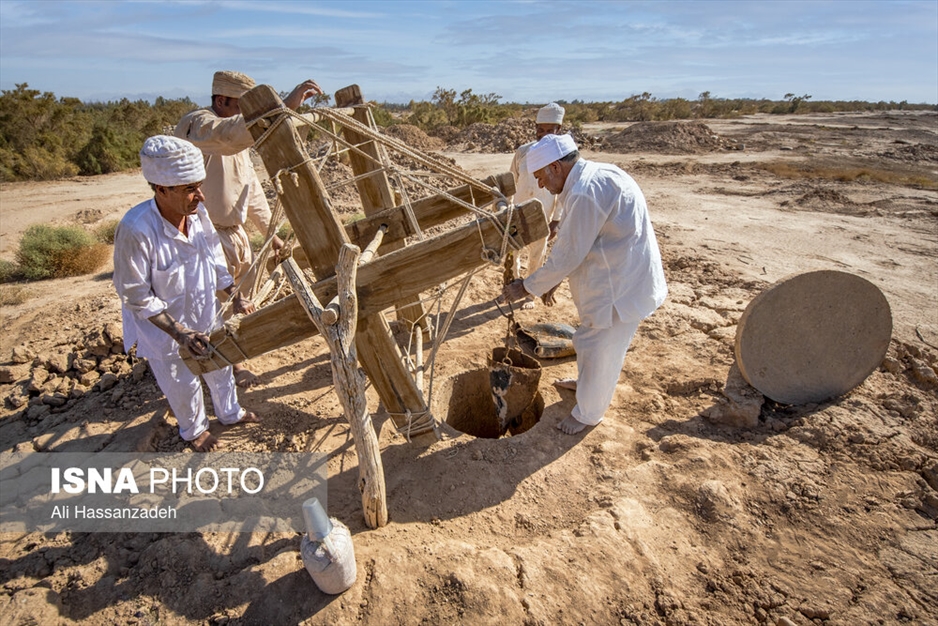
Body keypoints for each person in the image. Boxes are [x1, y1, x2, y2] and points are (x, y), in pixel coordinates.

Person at [501, 134, 668, 435]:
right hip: (615, 275)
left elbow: (567, 254)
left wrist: (525, 287)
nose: (540, 186)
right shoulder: (594, 177)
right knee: (589, 341)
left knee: (601, 348)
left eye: (540, 177)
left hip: (620, 287)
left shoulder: (585, 192)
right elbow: (575, 238)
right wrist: (552, 279)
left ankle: (588, 414)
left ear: (555, 168)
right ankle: (585, 386)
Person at [174, 70, 323, 387]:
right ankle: (229, 367)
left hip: (235, 233)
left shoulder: (237, 138)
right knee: (216, 303)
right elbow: (228, 135)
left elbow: (251, 190)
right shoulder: (197, 125)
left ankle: (225, 356)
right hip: (204, 234)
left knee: (241, 298)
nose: (246, 115)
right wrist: (280, 107)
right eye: (243, 106)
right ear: (221, 100)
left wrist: (272, 237)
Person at [113, 135, 261, 452]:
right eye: (190, 189)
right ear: (160, 189)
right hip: (166, 333)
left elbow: (215, 261)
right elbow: (135, 295)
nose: (201, 197)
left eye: (199, 186)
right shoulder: (137, 229)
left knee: (220, 366)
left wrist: (235, 295)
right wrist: (180, 333)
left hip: (206, 314)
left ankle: (230, 413)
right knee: (181, 381)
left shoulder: (198, 216)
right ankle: (194, 431)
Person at [508, 102, 566, 308]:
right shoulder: (523, 152)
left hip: (543, 214)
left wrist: (556, 220)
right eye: (540, 130)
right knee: (512, 251)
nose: (544, 135)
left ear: (558, 130)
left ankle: (530, 294)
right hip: (517, 212)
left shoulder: (563, 157)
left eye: (550, 131)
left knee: (536, 254)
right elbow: (510, 181)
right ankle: (511, 283)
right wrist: (506, 210)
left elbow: (564, 192)